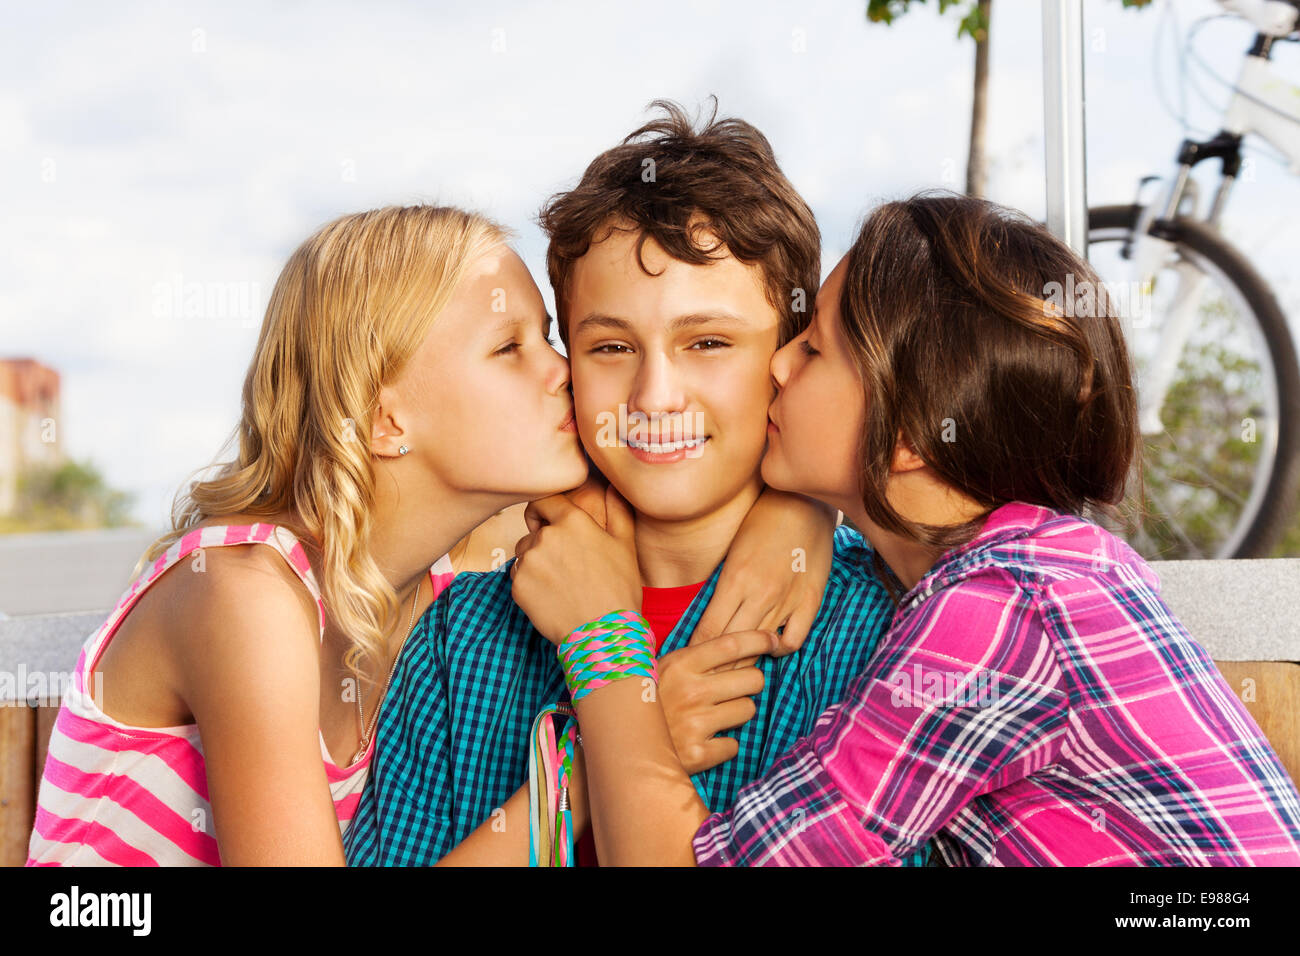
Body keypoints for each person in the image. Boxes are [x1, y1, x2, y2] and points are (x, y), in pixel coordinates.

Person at [507, 192, 1300, 866]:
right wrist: (806, 506)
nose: (779, 365)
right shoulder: (1046, 567)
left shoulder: (997, 613)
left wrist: (598, 633)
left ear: (912, 439)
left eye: (813, 348)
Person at [343, 101, 928, 866]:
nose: (655, 398)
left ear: (789, 356)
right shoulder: (463, 640)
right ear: (569, 367)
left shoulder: (882, 630)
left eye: (709, 342)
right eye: (613, 346)